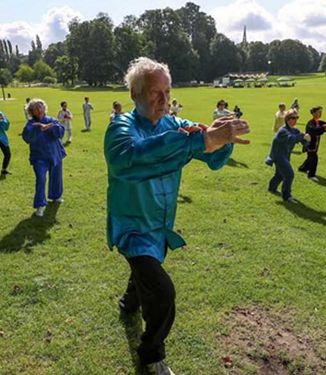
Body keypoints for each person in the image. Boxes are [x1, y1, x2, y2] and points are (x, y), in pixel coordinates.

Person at [105, 57, 249, 375]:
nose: (164, 100)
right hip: (133, 225)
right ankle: (151, 353)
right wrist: (200, 138)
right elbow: (129, 160)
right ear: (135, 94)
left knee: (146, 271)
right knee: (162, 290)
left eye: (167, 92)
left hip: (159, 224)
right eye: (156, 92)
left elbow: (206, 152)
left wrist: (220, 139)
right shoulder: (121, 128)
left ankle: (129, 302)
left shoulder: (173, 124)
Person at [22, 99, 66, 217]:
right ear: (31, 112)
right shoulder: (31, 124)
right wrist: (38, 128)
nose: (39, 110)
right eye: (36, 108)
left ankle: (56, 196)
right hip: (39, 157)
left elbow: (61, 132)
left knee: (56, 176)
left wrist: (50, 128)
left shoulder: (51, 120)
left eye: (41, 107)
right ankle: (40, 205)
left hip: (55, 154)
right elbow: (27, 138)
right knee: (41, 179)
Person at [267, 110, 311, 203]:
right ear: (287, 119)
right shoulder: (283, 131)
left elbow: (302, 141)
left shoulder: (295, 130)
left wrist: (307, 141)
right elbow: (291, 139)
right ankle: (287, 196)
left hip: (285, 156)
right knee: (289, 175)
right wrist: (302, 137)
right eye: (293, 118)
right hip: (279, 156)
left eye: (296, 118)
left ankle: (271, 188)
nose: (295, 120)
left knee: (279, 174)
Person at [298, 106, 326, 181]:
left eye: (321, 112)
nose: (320, 113)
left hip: (315, 145)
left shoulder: (319, 122)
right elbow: (313, 131)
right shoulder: (310, 123)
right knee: (314, 158)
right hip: (310, 145)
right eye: (319, 112)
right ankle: (311, 175)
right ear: (314, 113)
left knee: (310, 158)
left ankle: (303, 168)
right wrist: (323, 128)